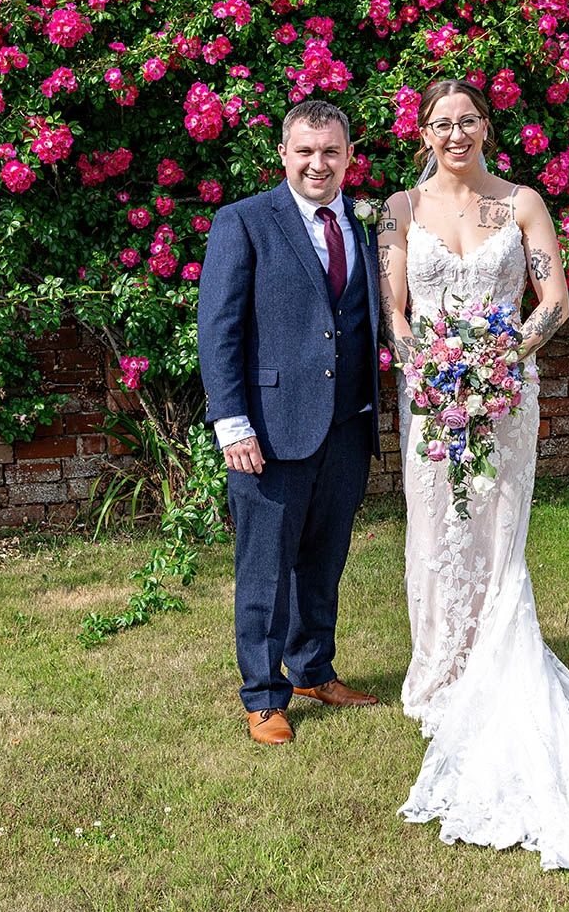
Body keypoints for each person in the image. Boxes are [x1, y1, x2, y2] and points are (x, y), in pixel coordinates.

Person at [377, 80, 569, 875]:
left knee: (498, 534)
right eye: (441, 123)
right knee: (437, 531)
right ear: (423, 132)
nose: (455, 134)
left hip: (507, 398)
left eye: (467, 120)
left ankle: (497, 663)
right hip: (433, 401)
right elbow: (398, 315)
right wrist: (431, 371)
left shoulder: (522, 203)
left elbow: (555, 301)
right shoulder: (398, 211)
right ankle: (440, 672)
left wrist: (500, 360)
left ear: (486, 126)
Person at [197, 100, 381, 746]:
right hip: (270, 430)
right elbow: (218, 330)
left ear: (349, 156)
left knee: (323, 560)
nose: (318, 163)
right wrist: (232, 424)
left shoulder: (362, 224)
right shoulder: (243, 221)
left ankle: (311, 669)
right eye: (305, 150)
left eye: (331, 151)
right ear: (283, 154)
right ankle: (263, 694)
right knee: (266, 570)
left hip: (348, 426)